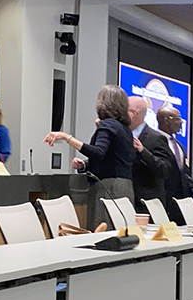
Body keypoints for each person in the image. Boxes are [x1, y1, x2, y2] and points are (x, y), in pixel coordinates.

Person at [44, 85, 137, 229]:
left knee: (103, 234)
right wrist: (85, 166)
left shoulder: (107, 125)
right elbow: (114, 158)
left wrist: (66, 137)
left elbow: (98, 152)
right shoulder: (125, 129)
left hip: (108, 188)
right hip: (125, 187)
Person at [156, 107, 193, 220]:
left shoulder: (179, 145)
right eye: (178, 119)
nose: (181, 122)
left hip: (181, 204)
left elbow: (185, 174)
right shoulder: (154, 141)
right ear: (167, 120)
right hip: (163, 201)